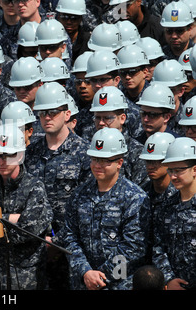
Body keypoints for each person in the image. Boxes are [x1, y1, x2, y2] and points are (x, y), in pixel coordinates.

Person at [63, 127, 151, 290]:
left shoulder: (135, 197)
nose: (98, 165)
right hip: (84, 281)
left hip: (119, 283)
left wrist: (100, 276)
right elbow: (69, 235)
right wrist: (86, 271)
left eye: (105, 160)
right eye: (95, 159)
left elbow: (134, 247)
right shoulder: (79, 194)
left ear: (119, 163)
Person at [24, 81, 91, 289]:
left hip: (72, 246)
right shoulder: (32, 152)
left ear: (67, 114)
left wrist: (58, 241)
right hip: (36, 243)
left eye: (53, 112)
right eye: (42, 113)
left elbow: (86, 205)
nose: (47, 117)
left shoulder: (83, 153)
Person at [0, 123, 52, 290]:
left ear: (20, 155)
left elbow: (27, 231)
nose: (2, 161)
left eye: (8, 155)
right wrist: (12, 219)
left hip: (26, 274)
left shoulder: (34, 187)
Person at [153, 137, 196, 290]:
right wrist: (169, 279)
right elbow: (158, 248)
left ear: (195, 169)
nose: (173, 176)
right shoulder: (166, 207)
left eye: (178, 170)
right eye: (170, 170)